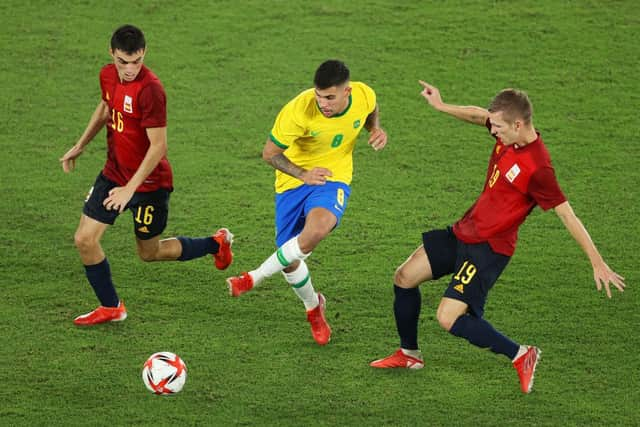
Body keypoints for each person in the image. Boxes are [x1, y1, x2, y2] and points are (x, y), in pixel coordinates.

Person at [370, 81, 626, 393]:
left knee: (448, 317)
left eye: (501, 127)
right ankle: (409, 355)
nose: (495, 132)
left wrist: (597, 262)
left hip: (489, 248)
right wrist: (441, 105)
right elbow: (481, 117)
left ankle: (521, 354)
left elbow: (566, 213)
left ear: (519, 124)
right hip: (466, 230)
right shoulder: (507, 132)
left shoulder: (538, 168)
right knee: (404, 276)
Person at [60, 24, 233, 326]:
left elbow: (158, 147)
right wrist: (80, 145)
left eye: (136, 62)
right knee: (84, 240)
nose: (129, 69)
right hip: (114, 174)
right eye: (123, 62)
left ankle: (215, 244)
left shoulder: (151, 90)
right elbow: (105, 108)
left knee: (149, 253)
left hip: (150, 184)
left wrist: (130, 189)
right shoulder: (107, 75)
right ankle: (112, 307)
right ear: (111, 53)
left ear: (144, 54)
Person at [226, 60, 387, 345]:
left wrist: (375, 129)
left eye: (329, 97)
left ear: (347, 92)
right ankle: (314, 307)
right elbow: (269, 154)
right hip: (293, 182)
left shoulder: (363, 95)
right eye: (318, 95)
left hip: (333, 177)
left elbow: (371, 108)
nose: (322, 103)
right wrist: (303, 174)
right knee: (290, 260)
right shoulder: (299, 109)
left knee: (316, 230)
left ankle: (252, 278)